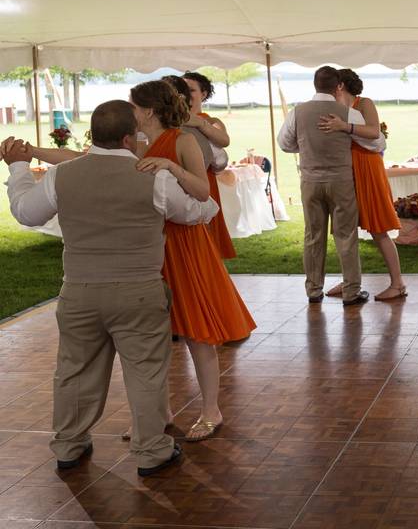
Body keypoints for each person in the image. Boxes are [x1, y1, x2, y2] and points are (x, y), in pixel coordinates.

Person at [3, 101, 220, 476]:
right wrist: (177, 172)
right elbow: (204, 211)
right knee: (146, 372)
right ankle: (152, 451)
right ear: (126, 137)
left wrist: (18, 166)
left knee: (74, 370)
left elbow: (26, 212)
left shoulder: (62, 175)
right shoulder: (153, 177)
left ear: (93, 135)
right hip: (139, 290)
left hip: (79, 290)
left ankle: (70, 445)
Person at [133, 80, 257, 442]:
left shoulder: (182, 140)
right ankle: (159, 411)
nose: (132, 112)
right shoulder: (136, 142)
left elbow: (202, 190)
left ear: (149, 110)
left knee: (196, 331)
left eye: (134, 106)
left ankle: (210, 410)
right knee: (152, 335)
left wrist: (170, 167)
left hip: (185, 243)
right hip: (149, 244)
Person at [277, 66, 383, 305]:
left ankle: (314, 290)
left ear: (314, 85)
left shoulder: (298, 111)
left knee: (313, 236)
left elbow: (284, 143)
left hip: (310, 181)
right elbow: (376, 143)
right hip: (341, 182)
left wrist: (306, 147)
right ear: (338, 87)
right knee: (346, 236)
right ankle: (351, 291)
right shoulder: (347, 113)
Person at [318, 68, 406, 301]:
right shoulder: (333, 109)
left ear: (341, 85)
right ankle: (350, 282)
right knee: (345, 230)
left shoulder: (364, 104)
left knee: (379, 229)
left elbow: (374, 132)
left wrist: (344, 127)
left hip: (368, 169)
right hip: (345, 171)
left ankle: (398, 284)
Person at [182, 71, 236, 259]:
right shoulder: (172, 121)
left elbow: (222, 148)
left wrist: (200, 124)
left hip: (205, 181)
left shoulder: (212, 122)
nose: (186, 95)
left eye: (191, 90)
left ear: (203, 94)